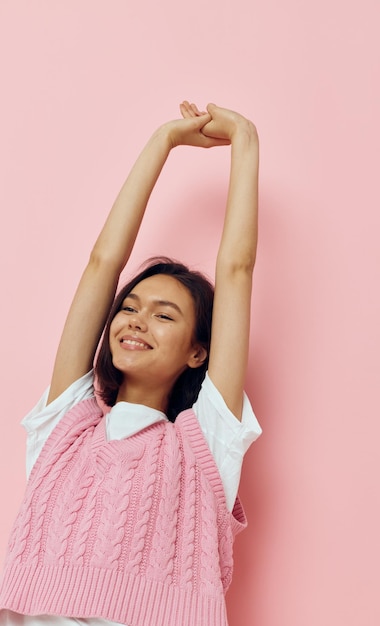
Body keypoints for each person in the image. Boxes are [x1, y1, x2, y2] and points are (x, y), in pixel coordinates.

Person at [0, 101, 261, 626]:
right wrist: (163, 140)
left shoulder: (205, 442)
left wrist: (246, 141)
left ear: (198, 351)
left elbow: (236, 270)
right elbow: (103, 262)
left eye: (164, 315)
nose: (136, 321)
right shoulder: (65, 428)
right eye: (129, 307)